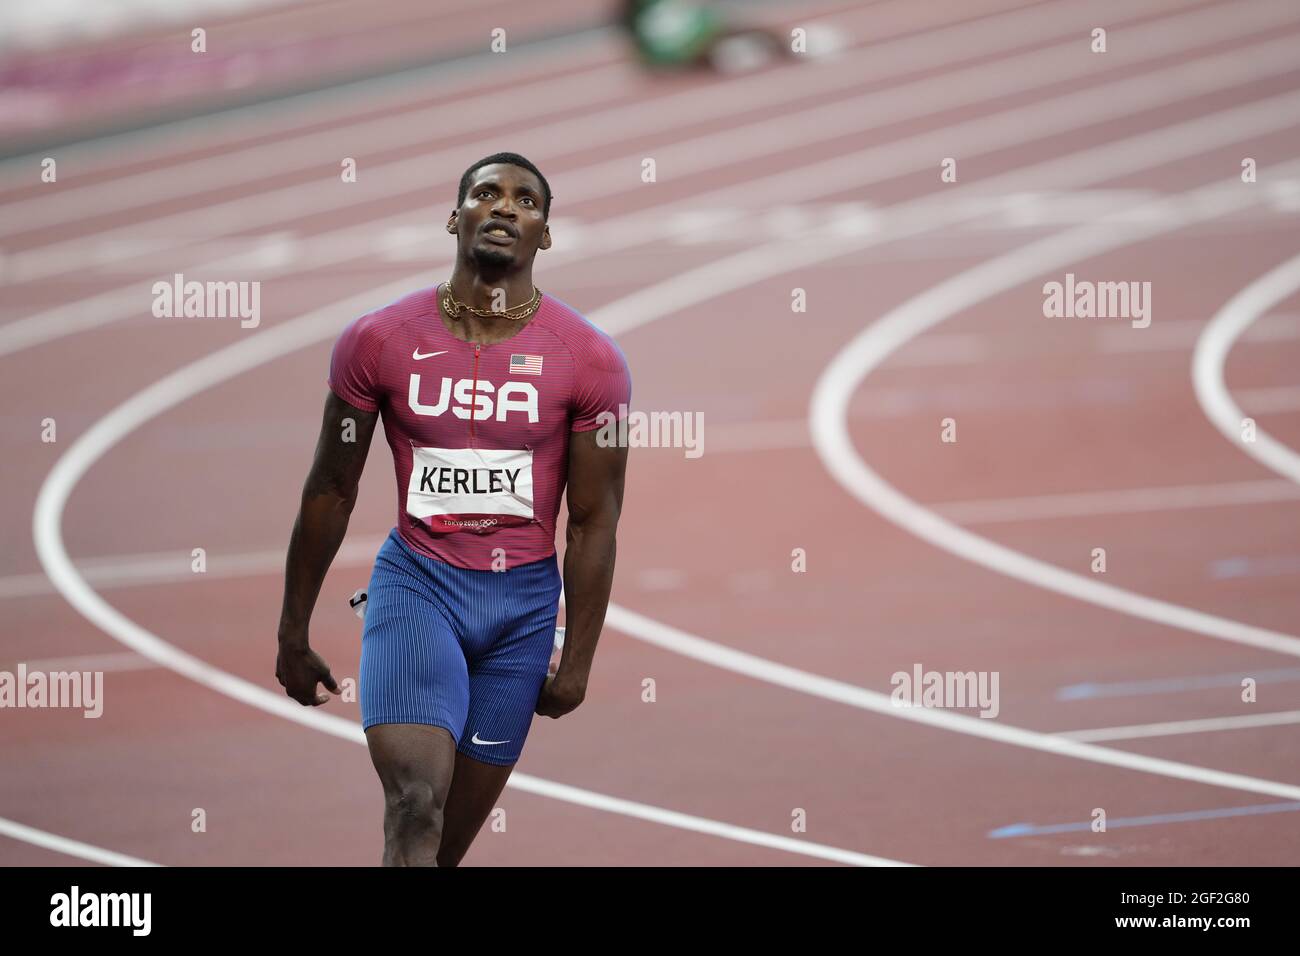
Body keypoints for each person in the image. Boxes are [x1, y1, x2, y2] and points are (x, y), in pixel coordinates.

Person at [275, 152, 631, 866]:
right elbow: (329, 488)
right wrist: (292, 628)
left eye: (525, 201)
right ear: (454, 216)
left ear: (546, 234)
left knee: (440, 852)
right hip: (417, 589)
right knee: (415, 806)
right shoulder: (377, 341)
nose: (504, 207)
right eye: (486, 194)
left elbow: (594, 521)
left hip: (522, 615)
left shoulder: (592, 361)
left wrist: (578, 661)